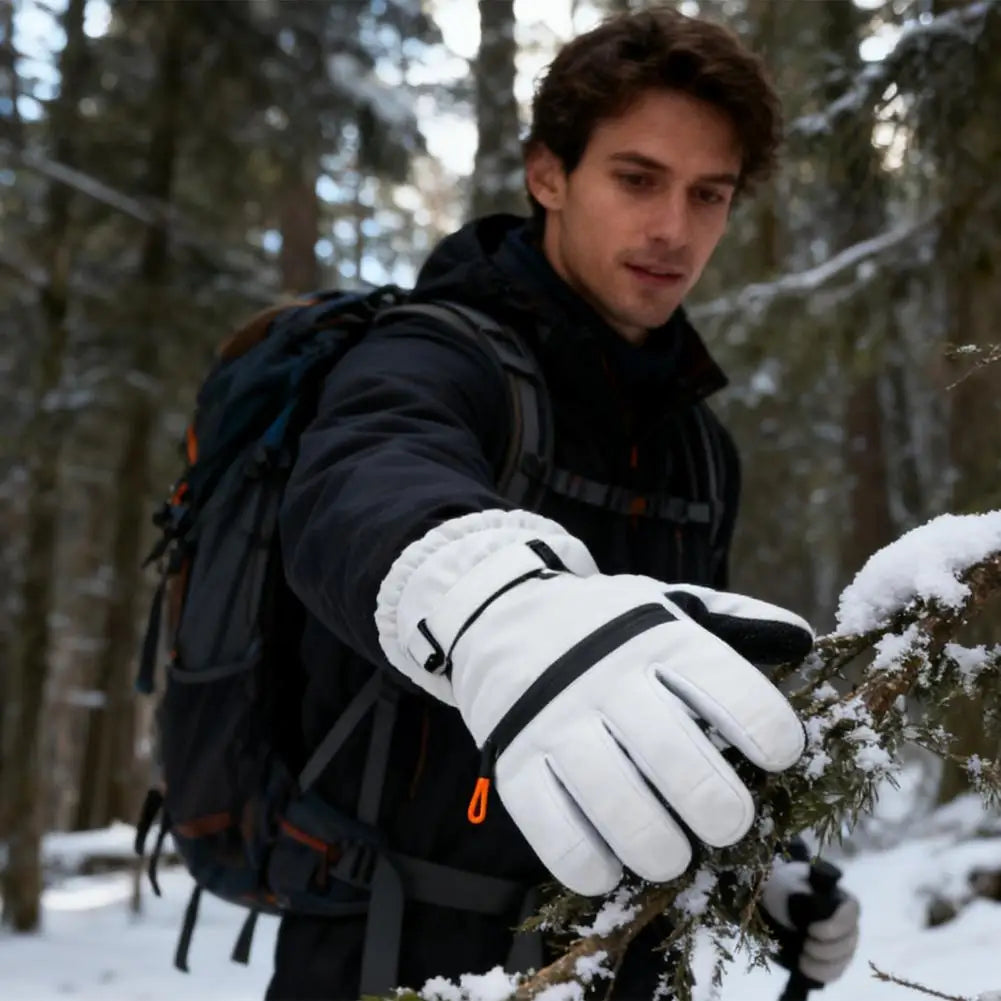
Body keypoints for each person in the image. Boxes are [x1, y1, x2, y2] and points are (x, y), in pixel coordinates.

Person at [269, 7, 859, 999]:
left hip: (621, 960)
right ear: (549, 174)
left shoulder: (698, 447)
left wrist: (758, 857)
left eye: (706, 194)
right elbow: (363, 469)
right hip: (386, 952)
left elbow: (677, 686)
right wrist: (490, 597)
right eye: (635, 179)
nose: (672, 229)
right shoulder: (437, 349)